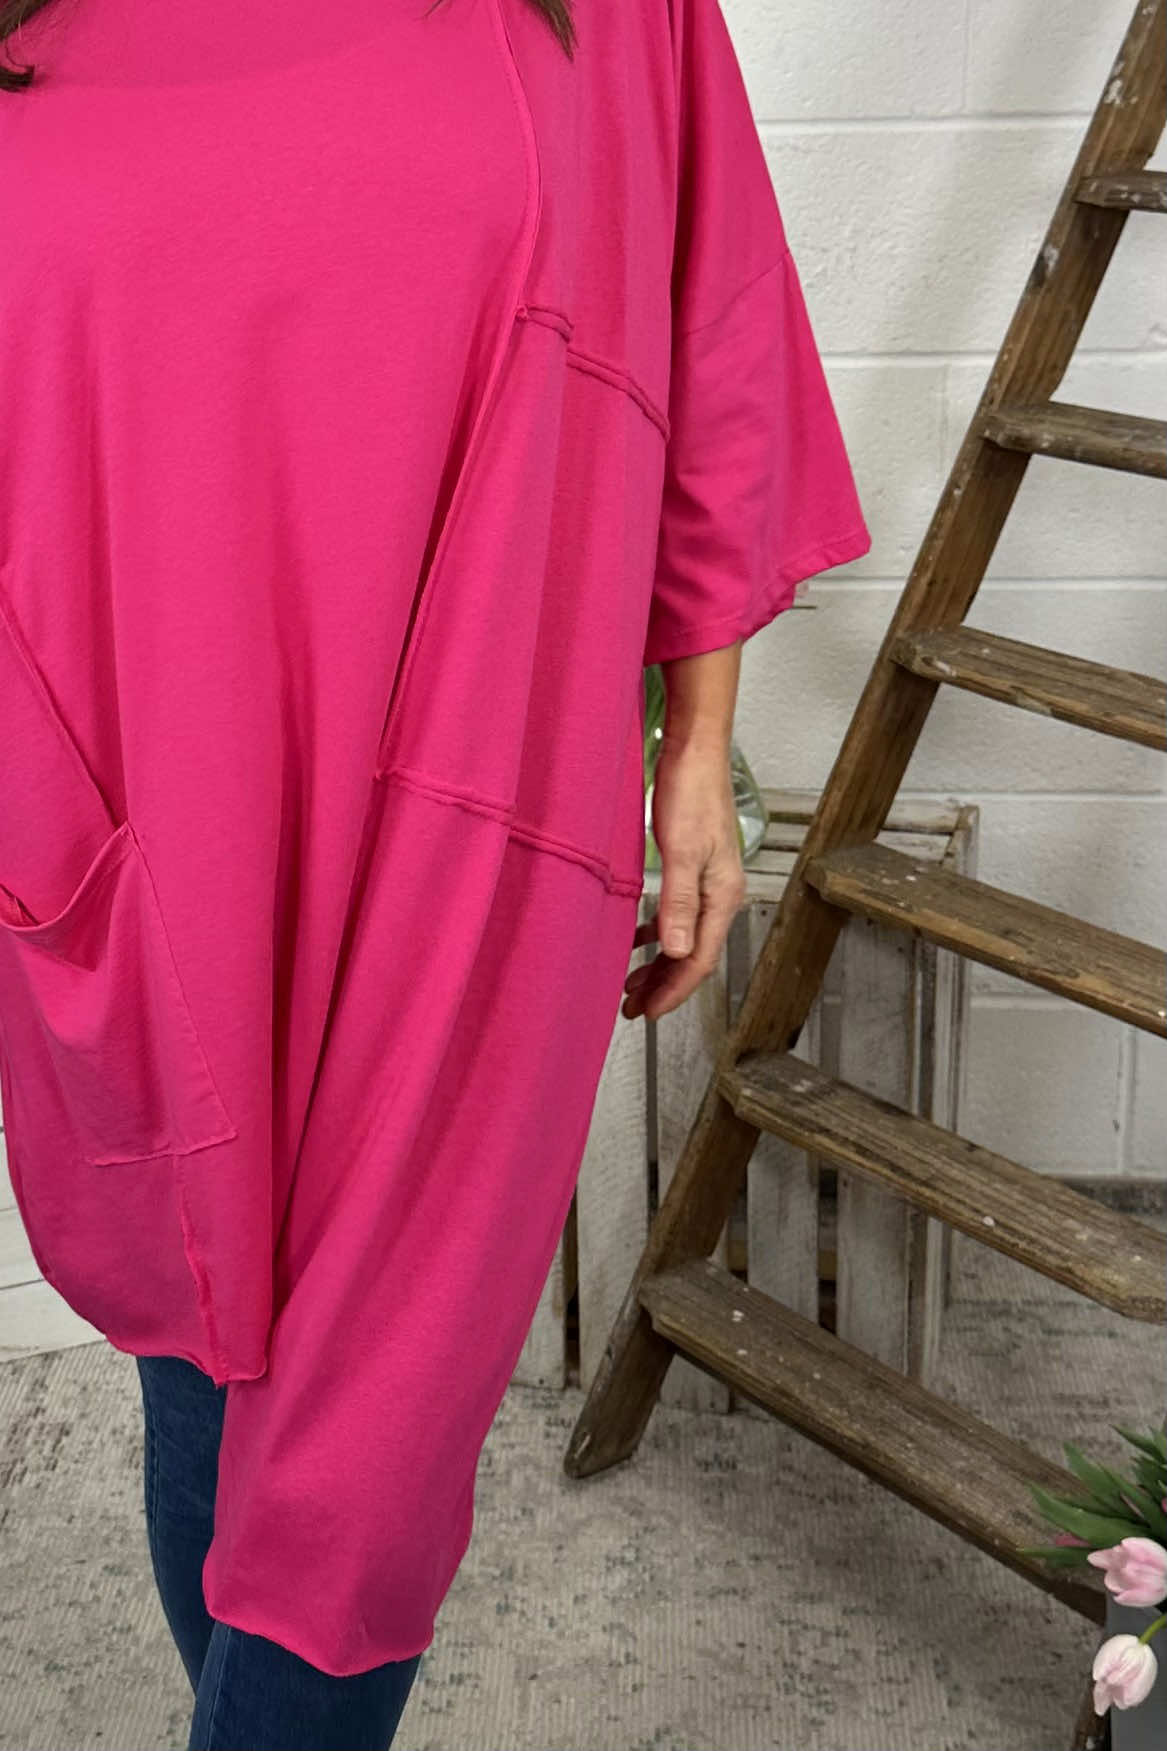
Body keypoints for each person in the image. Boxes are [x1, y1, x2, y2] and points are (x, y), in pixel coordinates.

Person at [0, 1, 870, 1746]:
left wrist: (697, 755)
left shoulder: (611, 15)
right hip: (123, 818)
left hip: (481, 819)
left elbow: (711, 326)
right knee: (207, 1352)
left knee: (361, 1470)